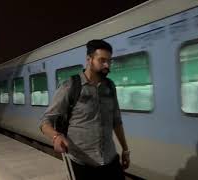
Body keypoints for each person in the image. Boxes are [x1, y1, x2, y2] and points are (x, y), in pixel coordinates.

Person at [39, 39, 130, 180]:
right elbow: (45, 121)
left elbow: (116, 121)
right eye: (102, 60)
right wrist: (56, 137)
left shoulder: (110, 86)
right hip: (82, 163)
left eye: (109, 61)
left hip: (110, 161)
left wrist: (125, 149)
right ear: (89, 60)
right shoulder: (71, 86)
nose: (107, 65)